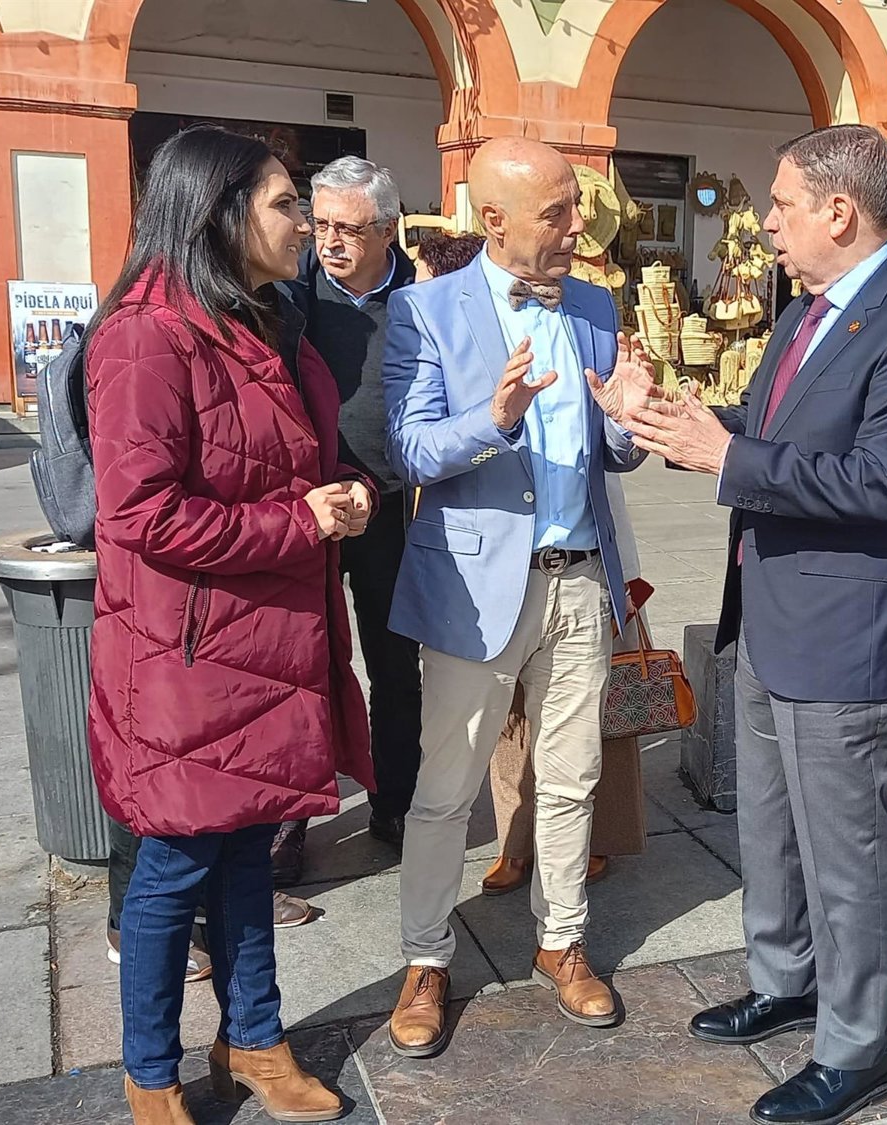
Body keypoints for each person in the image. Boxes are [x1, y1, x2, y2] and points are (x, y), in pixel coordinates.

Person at [624, 124, 887, 1125]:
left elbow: (882, 480)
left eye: (781, 204)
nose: (766, 223)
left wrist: (726, 459)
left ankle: (856, 1047)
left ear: (839, 209)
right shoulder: (805, 308)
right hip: (770, 614)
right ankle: (786, 982)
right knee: (771, 828)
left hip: (850, 633)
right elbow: (766, 430)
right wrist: (673, 420)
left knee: (847, 852)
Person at [85, 124, 376, 1125]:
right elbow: (138, 513)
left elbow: (275, 464)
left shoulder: (254, 319)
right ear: (218, 214)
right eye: (286, 204)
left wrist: (339, 492)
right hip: (187, 654)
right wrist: (299, 520)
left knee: (250, 851)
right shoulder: (145, 335)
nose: (306, 225)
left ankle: (254, 1039)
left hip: (262, 640)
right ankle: (150, 1076)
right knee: (173, 870)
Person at [380, 136, 657, 1059]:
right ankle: (426, 958)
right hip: (473, 588)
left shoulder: (595, 305)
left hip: (580, 579)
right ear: (493, 220)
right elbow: (410, 449)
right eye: (558, 212)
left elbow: (612, 451)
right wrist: (492, 421)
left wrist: (630, 420)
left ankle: (561, 939)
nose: (579, 227)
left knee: (572, 778)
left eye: (578, 207)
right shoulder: (423, 309)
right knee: (445, 791)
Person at [275, 156, 420, 875]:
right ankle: (289, 819)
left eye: (349, 228)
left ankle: (397, 799)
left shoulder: (421, 301)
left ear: (388, 230)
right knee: (298, 662)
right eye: (321, 222)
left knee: (394, 661)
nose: (328, 239)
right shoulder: (287, 297)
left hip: (386, 507)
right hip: (304, 507)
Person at [482, 470, 651, 895]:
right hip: (502, 546)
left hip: (588, 548)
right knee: (508, 712)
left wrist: (625, 575)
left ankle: (599, 834)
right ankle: (516, 840)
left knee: (598, 706)